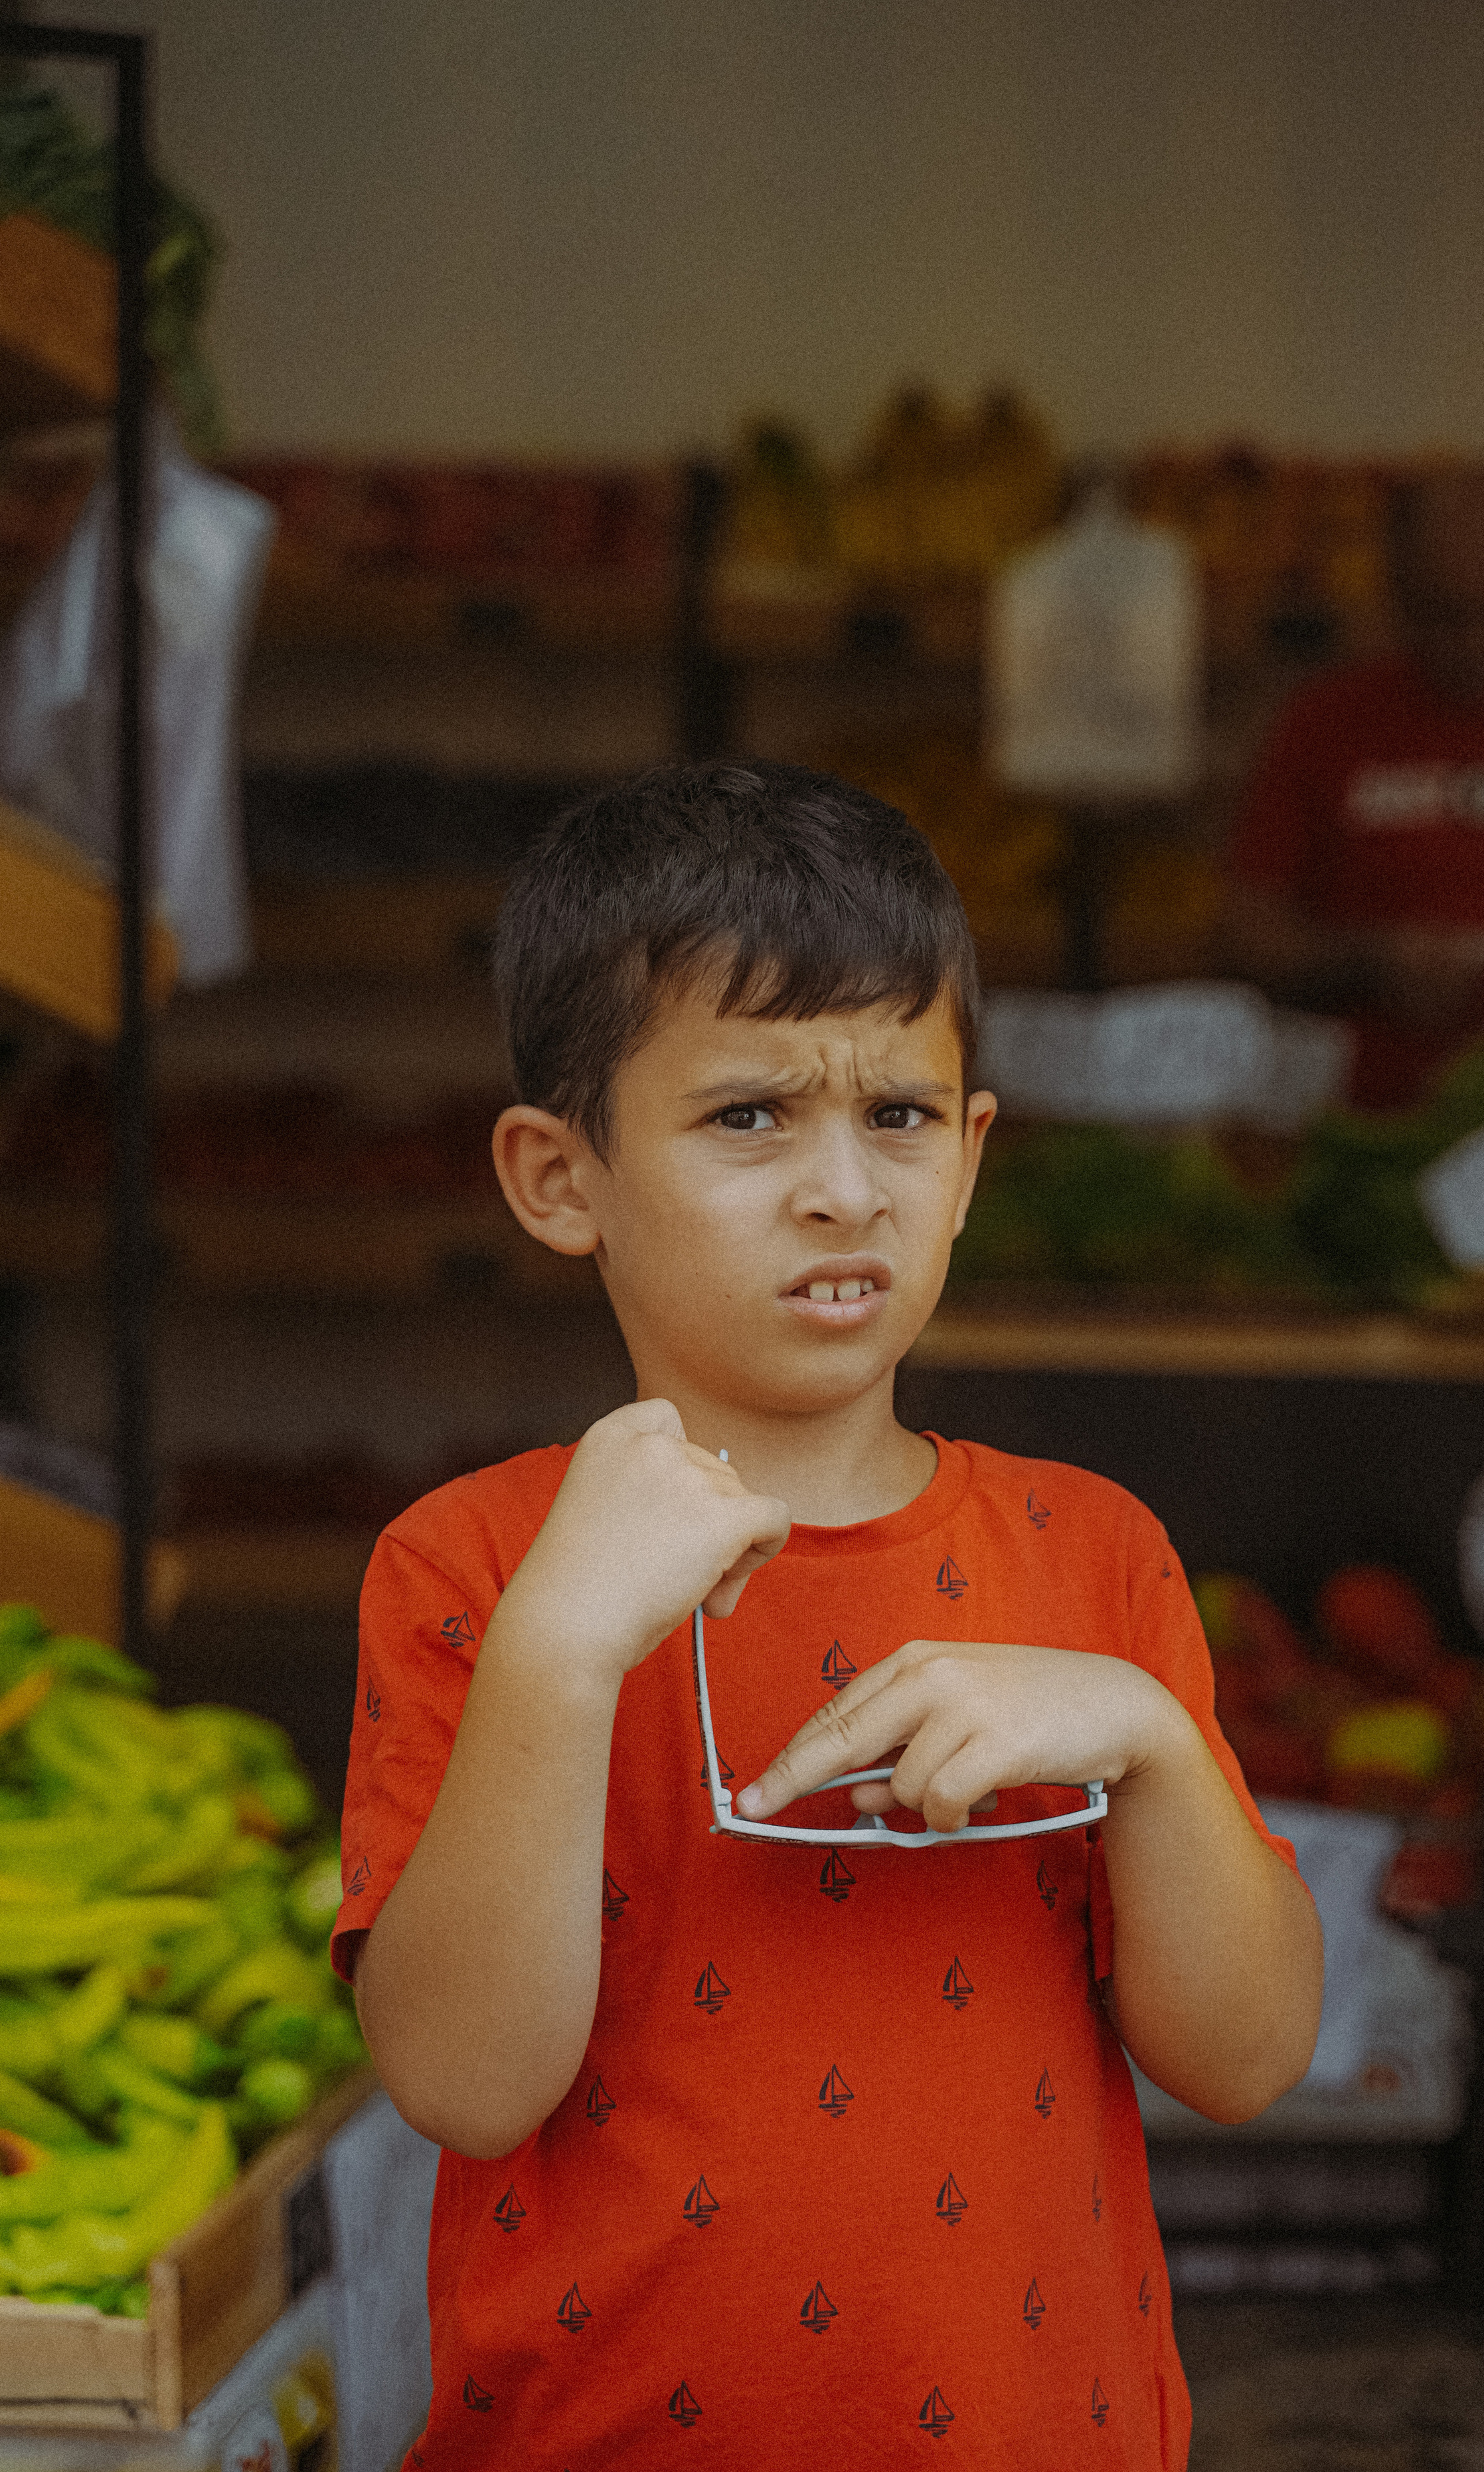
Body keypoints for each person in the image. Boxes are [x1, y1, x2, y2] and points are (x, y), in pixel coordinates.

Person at [333, 762, 1323, 2469]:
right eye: (747, 1116)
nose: (842, 1188)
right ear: (557, 1178)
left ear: (971, 1154)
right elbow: (465, 2080)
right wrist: (560, 1653)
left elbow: (1244, 2057)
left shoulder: (1089, 1553)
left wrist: (1147, 1739)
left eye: (899, 1115)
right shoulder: (478, 1562)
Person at [1222, 458, 1484, 1110]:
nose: (1476, 644)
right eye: (1445, 616)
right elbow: (1248, 930)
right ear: (1396, 593)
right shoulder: (1325, 720)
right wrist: (1368, 960)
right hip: (1357, 1124)